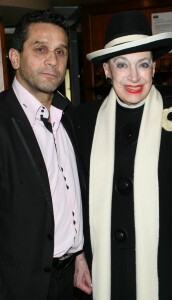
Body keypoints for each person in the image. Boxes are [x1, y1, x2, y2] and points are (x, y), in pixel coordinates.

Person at [74, 10, 172, 300]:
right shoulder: (83, 121)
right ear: (107, 70)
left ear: (154, 68)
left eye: (143, 64)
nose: (134, 76)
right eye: (122, 64)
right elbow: (77, 197)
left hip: (166, 269)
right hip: (104, 265)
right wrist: (79, 256)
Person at [0, 9, 92, 300]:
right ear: (15, 58)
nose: (53, 60)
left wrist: (79, 255)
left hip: (70, 281)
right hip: (18, 285)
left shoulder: (70, 118)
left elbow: (70, 196)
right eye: (40, 49)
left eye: (60, 51)